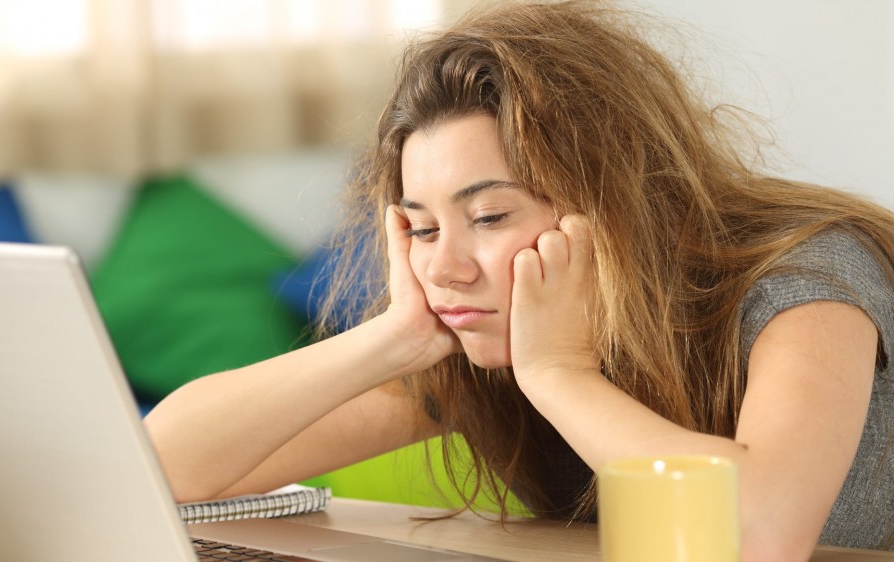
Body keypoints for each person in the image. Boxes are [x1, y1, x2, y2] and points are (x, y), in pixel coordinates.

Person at [143, 1, 894, 559]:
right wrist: (399, 337)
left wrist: (558, 371)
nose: (445, 267)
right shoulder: (477, 336)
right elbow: (156, 470)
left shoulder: (808, 274)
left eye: (492, 216)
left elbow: (761, 533)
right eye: (423, 228)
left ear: (618, 198)